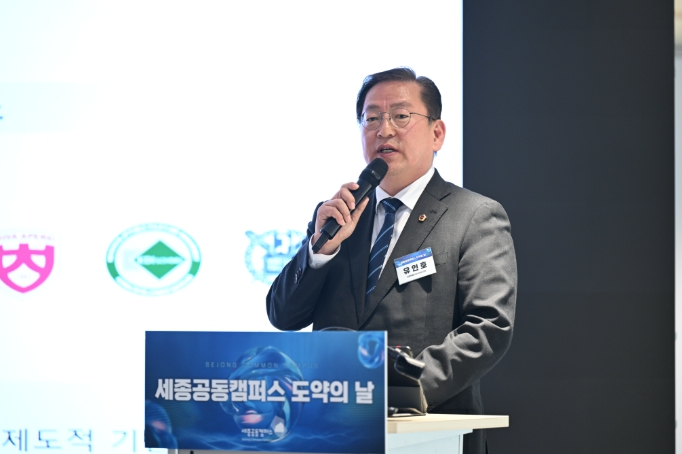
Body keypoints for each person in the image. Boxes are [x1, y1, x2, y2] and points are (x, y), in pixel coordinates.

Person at [266, 67, 517, 454]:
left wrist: (405, 389)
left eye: (401, 116)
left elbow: (489, 327)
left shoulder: (474, 215)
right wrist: (320, 250)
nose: (384, 130)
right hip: (332, 430)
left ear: (437, 133)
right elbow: (283, 315)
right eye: (371, 118)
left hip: (430, 433)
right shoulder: (339, 216)